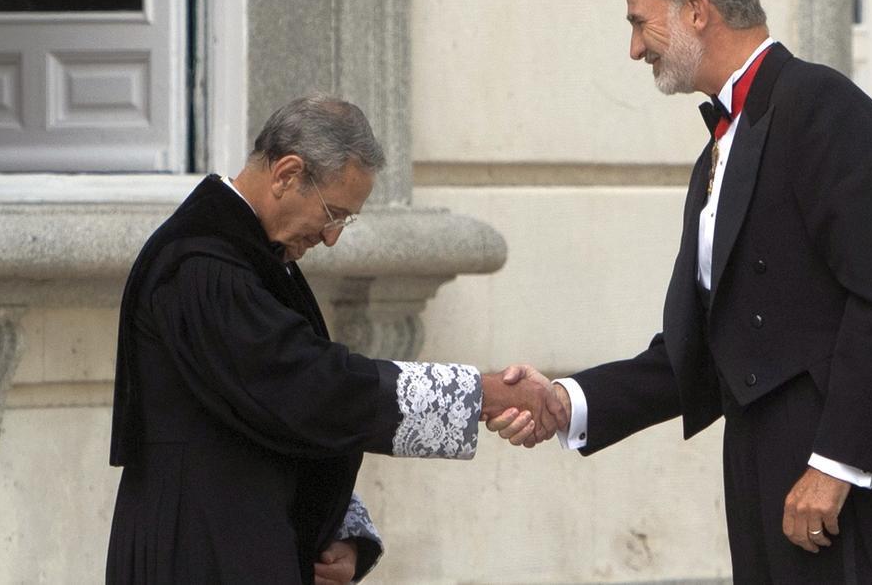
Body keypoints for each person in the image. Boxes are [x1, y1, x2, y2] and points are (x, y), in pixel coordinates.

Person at [488, 0, 872, 584]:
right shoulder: (719, 149)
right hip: (762, 473)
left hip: (845, 490)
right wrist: (571, 399)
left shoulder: (826, 108)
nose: (633, 48)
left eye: (639, 21)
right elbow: (710, 345)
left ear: (696, 10)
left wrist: (836, 464)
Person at [106, 94, 564, 584]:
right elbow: (311, 389)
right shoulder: (201, 268)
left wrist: (345, 535)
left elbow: (286, 419)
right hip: (197, 552)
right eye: (333, 213)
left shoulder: (255, 255)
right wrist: (479, 394)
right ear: (286, 174)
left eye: (344, 221)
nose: (330, 238)